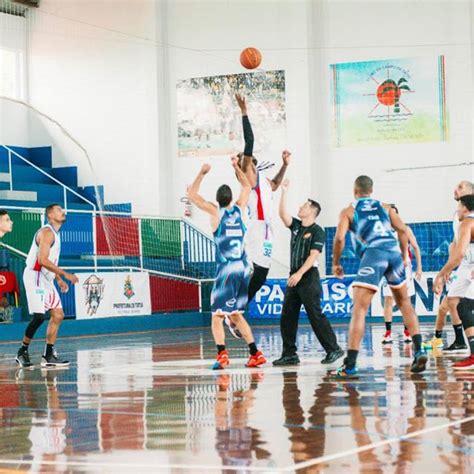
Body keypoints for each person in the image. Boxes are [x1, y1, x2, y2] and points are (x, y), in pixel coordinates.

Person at [332, 176, 427, 378]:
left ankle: (350, 364)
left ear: (354, 190)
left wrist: (336, 263)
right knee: (405, 304)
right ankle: (419, 350)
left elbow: (339, 238)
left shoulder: (349, 211)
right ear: (371, 190)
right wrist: (403, 255)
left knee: (359, 308)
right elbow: (402, 229)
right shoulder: (386, 207)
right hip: (393, 254)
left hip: (374, 255)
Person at [188, 160, 266, 370]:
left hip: (226, 269)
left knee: (216, 316)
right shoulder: (240, 210)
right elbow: (248, 186)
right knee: (236, 315)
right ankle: (255, 353)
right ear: (231, 198)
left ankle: (222, 354)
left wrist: (202, 172)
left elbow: (193, 197)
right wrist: (236, 167)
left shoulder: (215, 212)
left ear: (218, 199)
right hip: (243, 268)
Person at [272, 179, 343, 366]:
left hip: (308, 276)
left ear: (312, 211)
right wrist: (284, 191)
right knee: (287, 315)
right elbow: (282, 214)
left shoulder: (317, 231)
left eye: (305, 205)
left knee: (315, 314)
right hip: (294, 276)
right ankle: (289, 354)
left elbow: (313, 256)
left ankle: (334, 349)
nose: (301, 207)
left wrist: (299, 274)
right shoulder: (296, 227)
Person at [235, 94, 290, 302]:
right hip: (257, 227)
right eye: (243, 160)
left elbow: (275, 185)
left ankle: (240, 304)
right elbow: (249, 141)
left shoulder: (263, 178)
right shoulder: (248, 173)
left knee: (262, 273)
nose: (244, 159)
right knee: (257, 270)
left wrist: (284, 164)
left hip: (268, 229)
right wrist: (244, 112)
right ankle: (237, 305)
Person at [16, 204, 78, 369]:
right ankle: (22, 351)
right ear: (50, 215)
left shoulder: (56, 234)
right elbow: (42, 260)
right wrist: (65, 274)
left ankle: (48, 355)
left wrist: (58, 279)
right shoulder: (47, 232)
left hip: (46, 278)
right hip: (35, 275)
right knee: (39, 317)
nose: (63, 211)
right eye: (59, 209)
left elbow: (50, 261)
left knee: (58, 314)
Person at [426, 181, 474, 352]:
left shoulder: (468, 219)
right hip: (464, 265)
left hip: (470, 265)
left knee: (463, 305)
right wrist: (449, 268)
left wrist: (442, 273)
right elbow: (454, 244)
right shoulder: (458, 215)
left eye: (460, 187)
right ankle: (460, 341)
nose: (455, 189)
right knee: (453, 302)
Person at [381, 205, 422, 344]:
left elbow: (416, 247)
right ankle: (388, 333)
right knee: (388, 300)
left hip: (404, 268)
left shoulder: (405, 229)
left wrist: (419, 268)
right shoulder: (382, 231)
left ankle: (407, 331)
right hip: (388, 267)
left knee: (406, 301)